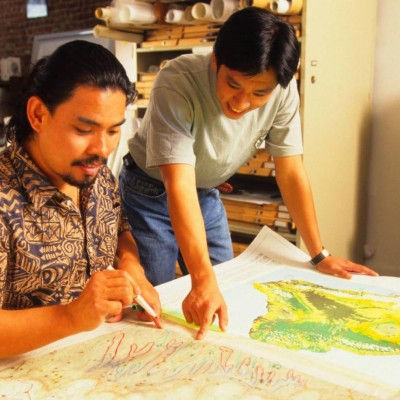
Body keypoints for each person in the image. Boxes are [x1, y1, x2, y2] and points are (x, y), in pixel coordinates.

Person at [119, 7, 378, 340]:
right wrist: (200, 278)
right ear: (216, 60)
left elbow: (292, 172)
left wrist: (319, 254)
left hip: (206, 191)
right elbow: (178, 184)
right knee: (156, 299)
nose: (241, 103)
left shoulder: (283, 92)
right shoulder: (177, 82)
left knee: (225, 286)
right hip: (149, 192)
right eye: (233, 85)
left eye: (259, 94)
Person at [0, 40, 162, 359]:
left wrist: (131, 266)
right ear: (38, 115)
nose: (101, 148)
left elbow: (118, 227)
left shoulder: (97, 175)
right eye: (83, 129)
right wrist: (72, 316)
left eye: (114, 131)